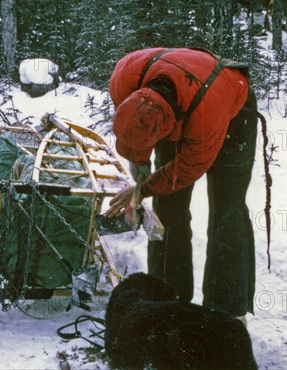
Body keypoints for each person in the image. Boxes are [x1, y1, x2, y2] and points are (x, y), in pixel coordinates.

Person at [104, 47, 258, 321]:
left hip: (229, 106)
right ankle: (166, 298)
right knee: (166, 210)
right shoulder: (124, 79)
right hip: (179, 97)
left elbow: (183, 172)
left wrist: (141, 190)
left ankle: (225, 313)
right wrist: (139, 167)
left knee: (227, 211)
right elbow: (133, 133)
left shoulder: (204, 120)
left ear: (171, 124)